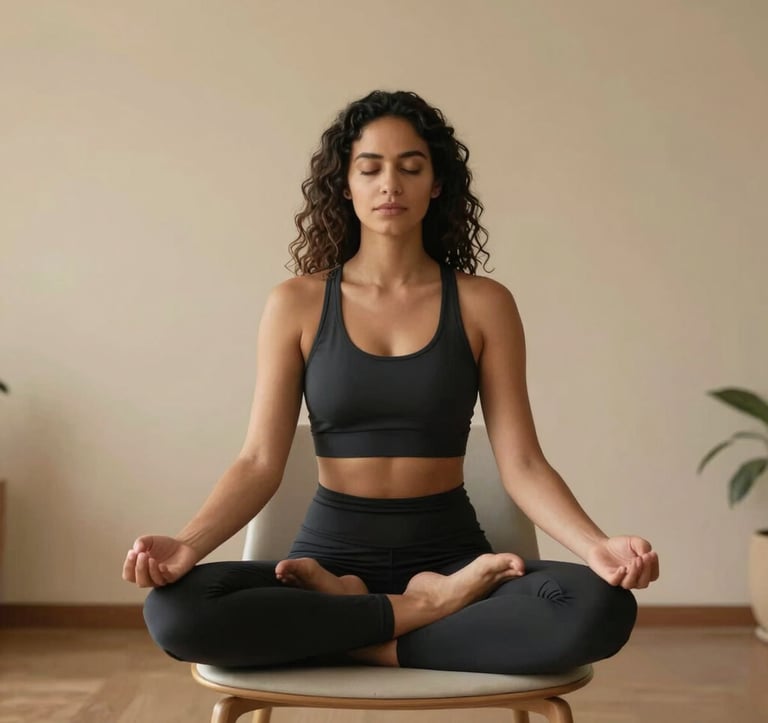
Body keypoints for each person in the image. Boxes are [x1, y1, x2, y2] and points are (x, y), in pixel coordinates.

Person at [122, 90, 659, 674]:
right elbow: (258, 462)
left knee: (600, 608)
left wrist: (595, 546)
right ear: (345, 185)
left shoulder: (484, 305)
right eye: (370, 168)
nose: (390, 185)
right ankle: (426, 612)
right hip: (326, 557)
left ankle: (364, 629)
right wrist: (189, 545)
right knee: (177, 613)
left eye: (411, 167)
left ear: (436, 185)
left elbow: (522, 463)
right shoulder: (297, 303)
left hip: (452, 555)